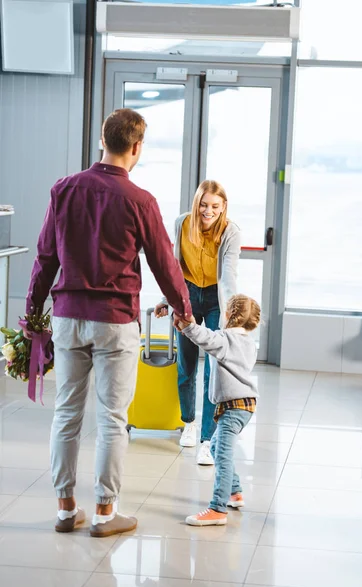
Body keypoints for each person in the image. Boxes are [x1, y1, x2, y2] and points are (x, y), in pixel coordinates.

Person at [25, 108, 192, 537]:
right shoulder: (140, 201)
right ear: (136, 147)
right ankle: (104, 512)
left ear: (103, 140)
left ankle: (65, 509)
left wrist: (32, 313)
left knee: (66, 412)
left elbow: (45, 258)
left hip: (67, 318)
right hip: (115, 321)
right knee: (113, 419)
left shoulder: (64, 189)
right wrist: (183, 309)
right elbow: (163, 264)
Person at [155, 181, 241, 466]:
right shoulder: (182, 223)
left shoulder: (230, 231)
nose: (208, 211)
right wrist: (168, 300)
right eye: (204, 205)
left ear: (223, 207)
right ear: (196, 203)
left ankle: (208, 439)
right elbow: (173, 266)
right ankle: (188, 422)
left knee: (213, 371)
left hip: (216, 298)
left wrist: (231, 312)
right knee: (187, 365)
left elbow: (228, 276)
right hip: (187, 293)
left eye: (215, 206)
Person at [176, 294, 260, 526]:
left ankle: (217, 509)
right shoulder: (248, 344)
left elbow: (205, 338)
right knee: (215, 446)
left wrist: (188, 326)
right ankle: (235, 492)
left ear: (227, 315)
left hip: (232, 407)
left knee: (222, 456)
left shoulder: (225, 340)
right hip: (245, 405)